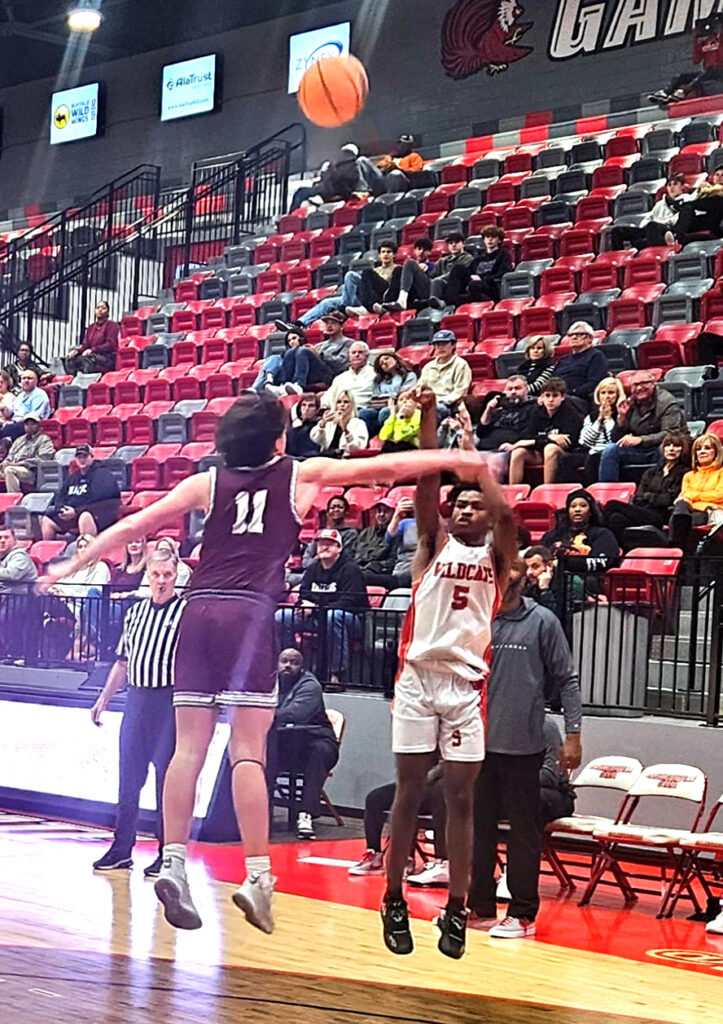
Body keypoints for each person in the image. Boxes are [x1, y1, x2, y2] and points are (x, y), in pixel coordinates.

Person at [42, 392, 484, 935]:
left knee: (187, 750)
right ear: (279, 438)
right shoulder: (301, 473)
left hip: (197, 613)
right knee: (247, 752)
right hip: (250, 615)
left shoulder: (205, 483)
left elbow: (133, 528)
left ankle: (173, 863)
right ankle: (257, 877)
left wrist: (71, 563)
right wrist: (460, 461)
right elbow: (385, 466)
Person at [381, 386, 517, 960]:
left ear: (485, 517)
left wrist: (478, 462)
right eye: (458, 504)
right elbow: (426, 484)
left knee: (460, 799)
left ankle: (458, 908)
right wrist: (431, 419)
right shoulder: (432, 544)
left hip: (464, 688)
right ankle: (392, 898)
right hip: (416, 680)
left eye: (473, 505)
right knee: (409, 791)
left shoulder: (499, 557)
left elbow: (508, 511)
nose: (463, 509)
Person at [468, 561, 582, 939]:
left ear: (525, 576)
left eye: (514, 566)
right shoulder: (478, 619)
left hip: (524, 747)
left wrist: (573, 735)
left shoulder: (543, 621)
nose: (507, 573)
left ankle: (523, 915)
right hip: (479, 744)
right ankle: (479, 907)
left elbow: (567, 679)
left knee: (522, 833)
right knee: (479, 830)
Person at [89, 548, 184, 877]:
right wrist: (103, 699)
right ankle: (121, 848)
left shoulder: (185, 613)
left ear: (176, 577)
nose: (160, 581)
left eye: (167, 576)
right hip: (136, 701)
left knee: (165, 782)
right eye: (155, 575)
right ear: (147, 575)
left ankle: (166, 852)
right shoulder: (135, 613)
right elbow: (122, 661)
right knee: (128, 779)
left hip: (168, 703)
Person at [265, 648, 340, 840]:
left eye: (294, 662)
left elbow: (295, 714)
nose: (288, 665)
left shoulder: (310, 685)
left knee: (317, 753)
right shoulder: (270, 682)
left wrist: (264, 714)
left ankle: (305, 815)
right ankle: (261, 810)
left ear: (302, 666)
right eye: (284, 661)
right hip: (286, 740)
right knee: (262, 752)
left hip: (316, 739)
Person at [277, 528, 369, 683]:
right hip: (318, 617)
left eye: (330, 544)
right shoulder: (312, 568)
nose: (324, 547)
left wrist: (317, 607)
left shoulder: (351, 570)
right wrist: (303, 605)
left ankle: (337, 675)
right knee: (282, 616)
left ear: (339, 548)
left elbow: (351, 601)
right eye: (321, 544)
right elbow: (303, 595)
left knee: (333, 615)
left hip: (350, 620)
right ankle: (291, 667)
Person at [349, 764, 447, 879]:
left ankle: (407, 859)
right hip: (414, 783)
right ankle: (374, 855)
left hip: (440, 788)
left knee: (409, 802)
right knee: (374, 798)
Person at [598, 371, 688, 482]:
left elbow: (670, 434)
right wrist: (621, 417)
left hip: (662, 447)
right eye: (635, 385)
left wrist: (640, 440)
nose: (639, 388)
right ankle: (609, 491)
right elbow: (616, 439)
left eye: (644, 383)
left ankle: (659, 487)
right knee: (610, 449)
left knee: (665, 449)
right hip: (640, 449)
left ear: (653, 383)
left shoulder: (667, 402)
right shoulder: (630, 402)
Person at [603, 434, 690, 548]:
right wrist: (653, 497)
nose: (671, 449)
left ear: (683, 450)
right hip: (643, 512)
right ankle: (619, 552)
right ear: (663, 449)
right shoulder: (651, 472)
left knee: (612, 504)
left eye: (677, 446)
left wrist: (648, 496)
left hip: (661, 516)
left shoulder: (684, 473)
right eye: (668, 445)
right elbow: (638, 498)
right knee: (616, 519)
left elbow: (668, 500)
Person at [541, 489, 620, 599]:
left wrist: (564, 563)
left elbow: (603, 561)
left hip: (586, 582)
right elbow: (539, 556)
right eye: (573, 506)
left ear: (591, 511)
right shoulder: (553, 535)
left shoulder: (602, 534)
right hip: (552, 580)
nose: (577, 509)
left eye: (583, 506)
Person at [507, 378, 582, 485]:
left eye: (555, 396)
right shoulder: (536, 412)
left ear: (563, 397)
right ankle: (514, 490)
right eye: (547, 395)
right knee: (518, 452)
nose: (551, 400)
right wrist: (549, 437)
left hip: (563, 454)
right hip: (539, 451)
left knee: (550, 448)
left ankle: (547, 489)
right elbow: (526, 435)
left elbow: (568, 442)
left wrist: (537, 440)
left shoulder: (570, 413)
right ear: (542, 397)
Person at [41, 445, 120, 540]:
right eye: (79, 457)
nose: (82, 460)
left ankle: (87, 550)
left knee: (85, 516)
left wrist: (76, 512)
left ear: (92, 457)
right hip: (72, 515)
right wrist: (61, 509)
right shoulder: (72, 478)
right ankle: (48, 551)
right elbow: (60, 496)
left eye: (85, 457)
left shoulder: (103, 475)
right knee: (47, 520)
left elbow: (102, 500)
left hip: (94, 515)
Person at [430, 225, 512, 308]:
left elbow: (503, 273)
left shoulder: (503, 255)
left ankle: (450, 302)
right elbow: (469, 272)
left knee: (475, 284)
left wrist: (482, 279)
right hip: (474, 285)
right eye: (487, 237)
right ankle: (447, 301)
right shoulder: (479, 258)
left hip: (490, 286)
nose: (490, 240)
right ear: (484, 240)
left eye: (493, 237)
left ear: (499, 240)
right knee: (458, 268)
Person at [669, 433, 723, 553]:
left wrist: (693, 496)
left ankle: (675, 549)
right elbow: (683, 497)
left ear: (716, 452)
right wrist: (696, 498)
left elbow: (719, 495)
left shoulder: (721, 473)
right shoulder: (688, 476)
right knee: (682, 508)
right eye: (698, 449)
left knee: (682, 519)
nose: (702, 452)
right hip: (690, 512)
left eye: (707, 448)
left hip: (712, 512)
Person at [610, 174, 690, 250]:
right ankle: (620, 259)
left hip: (668, 229)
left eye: (675, 184)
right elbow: (649, 217)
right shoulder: (660, 203)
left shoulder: (687, 199)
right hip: (651, 228)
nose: (672, 187)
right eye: (669, 185)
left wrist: (659, 222)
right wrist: (645, 225)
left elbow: (679, 219)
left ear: (682, 186)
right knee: (617, 231)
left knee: (653, 226)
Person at [576, 376, 626, 485]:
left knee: (596, 457)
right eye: (603, 393)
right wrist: (599, 420)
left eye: (611, 393)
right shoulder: (591, 417)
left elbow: (612, 439)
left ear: (618, 395)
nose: (606, 397)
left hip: (613, 452)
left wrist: (608, 418)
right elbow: (585, 442)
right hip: (593, 452)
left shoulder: (622, 414)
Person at [373, 237, 436, 314]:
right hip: (412, 295)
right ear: (414, 251)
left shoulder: (433, 266)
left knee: (409, 263)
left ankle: (402, 300)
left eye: (425, 250)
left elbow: (434, 282)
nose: (421, 252)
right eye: (419, 249)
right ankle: (389, 303)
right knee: (399, 270)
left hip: (425, 292)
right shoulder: (409, 269)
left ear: (430, 252)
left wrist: (426, 269)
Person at [359, 352, 418, 435]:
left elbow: (404, 394)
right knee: (364, 413)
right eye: (382, 363)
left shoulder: (409, 376)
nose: (385, 363)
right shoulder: (378, 380)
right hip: (379, 406)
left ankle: (388, 435)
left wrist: (391, 400)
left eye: (387, 358)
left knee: (385, 412)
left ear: (396, 359)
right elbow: (375, 396)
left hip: (399, 405)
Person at [418, 330, 472, 419]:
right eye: (437, 344)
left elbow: (460, 392)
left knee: (432, 411)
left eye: (444, 344)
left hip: (448, 405)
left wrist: (438, 401)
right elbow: (420, 385)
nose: (440, 348)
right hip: (428, 402)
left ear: (453, 345)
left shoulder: (461, 365)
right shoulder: (428, 366)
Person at [554, 322, 608, 405]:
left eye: (579, 334)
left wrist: (570, 393)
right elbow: (553, 380)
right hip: (557, 397)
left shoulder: (596, 356)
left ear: (590, 338)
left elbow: (594, 383)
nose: (574, 337)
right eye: (571, 335)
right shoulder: (564, 359)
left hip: (580, 399)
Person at [0, 413, 55, 492]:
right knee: (7, 468)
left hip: (31, 471)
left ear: (39, 426)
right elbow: (10, 455)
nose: (29, 426)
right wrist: (6, 462)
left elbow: (43, 459)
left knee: (10, 470)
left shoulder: (44, 440)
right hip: (13, 465)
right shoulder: (19, 440)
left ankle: (15, 498)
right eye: (27, 424)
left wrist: (19, 463)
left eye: (32, 424)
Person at [476, 376, 534, 451]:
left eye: (517, 388)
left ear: (526, 389)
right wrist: (488, 410)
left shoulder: (533, 408)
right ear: (505, 392)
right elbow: (480, 432)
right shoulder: (500, 408)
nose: (513, 392)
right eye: (510, 389)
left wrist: (514, 446)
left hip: (509, 451)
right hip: (484, 449)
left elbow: (529, 435)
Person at [66, 299, 120, 375]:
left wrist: (93, 350)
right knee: (70, 359)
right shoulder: (91, 327)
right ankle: (73, 380)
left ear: (108, 312)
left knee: (88, 358)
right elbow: (85, 345)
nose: (100, 310)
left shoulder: (112, 325)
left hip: (106, 357)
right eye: (98, 308)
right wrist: (77, 351)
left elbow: (110, 344)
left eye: (103, 308)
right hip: (92, 354)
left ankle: (87, 381)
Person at [302, 494, 358, 566]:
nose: (336, 509)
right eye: (332, 507)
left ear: (346, 512)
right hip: (315, 570)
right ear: (328, 513)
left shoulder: (351, 533)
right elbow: (306, 559)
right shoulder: (320, 533)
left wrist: (321, 558)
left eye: (340, 507)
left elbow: (345, 557)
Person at [673, 167, 723, 246]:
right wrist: (698, 190)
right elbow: (690, 201)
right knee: (687, 209)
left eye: (722, 175)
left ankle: (676, 237)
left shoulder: (713, 191)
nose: (719, 177)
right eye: (717, 175)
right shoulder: (706, 190)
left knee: (717, 200)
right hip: (702, 220)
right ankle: (676, 236)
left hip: (716, 222)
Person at [252, 328, 310, 396]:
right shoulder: (286, 355)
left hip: (297, 377)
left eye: (294, 338)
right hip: (283, 376)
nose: (292, 342)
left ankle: (256, 388)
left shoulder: (307, 350)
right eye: (289, 340)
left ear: (301, 338)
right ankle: (268, 381)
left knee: (275, 358)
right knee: (274, 358)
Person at [310, 391, 368, 457]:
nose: (342, 405)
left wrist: (345, 430)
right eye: (339, 402)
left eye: (346, 402)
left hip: (346, 459)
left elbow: (358, 448)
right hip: (326, 457)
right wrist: (322, 424)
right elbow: (316, 439)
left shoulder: (359, 423)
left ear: (352, 405)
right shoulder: (330, 423)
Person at [321, 341, 375, 411]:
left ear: (367, 356)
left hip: (362, 409)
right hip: (339, 411)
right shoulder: (340, 378)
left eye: (360, 352)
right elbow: (327, 399)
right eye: (353, 352)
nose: (356, 355)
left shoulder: (375, 373)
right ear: (349, 356)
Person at [0, 368, 50, 442]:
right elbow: (11, 413)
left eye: (29, 378)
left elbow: (34, 416)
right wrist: (3, 408)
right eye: (23, 378)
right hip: (14, 423)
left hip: (29, 425)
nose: (26, 380)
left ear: (36, 381)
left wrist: (13, 422)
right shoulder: (20, 396)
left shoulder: (40, 394)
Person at [354, 498, 396, 580]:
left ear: (394, 514)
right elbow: (352, 553)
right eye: (379, 511)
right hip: (359, 571)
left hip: (381, 573)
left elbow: (393, 561)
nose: (381, 514)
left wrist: (373, 566)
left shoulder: (396, 534)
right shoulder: (365, 533)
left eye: (386, 511)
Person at [523, 545, 558, 614]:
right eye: (526, 567)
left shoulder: (567, 582)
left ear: (549, 566)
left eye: (535, 567)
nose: (529, 572)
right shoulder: (528, 584)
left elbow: (554, 617)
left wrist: (544, 590)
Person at [286, 393, 321, 459]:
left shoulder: (319, 428)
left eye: (311, 406)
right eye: (304, 405)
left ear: (317, 410)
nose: (306, 408)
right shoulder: (292, 430)